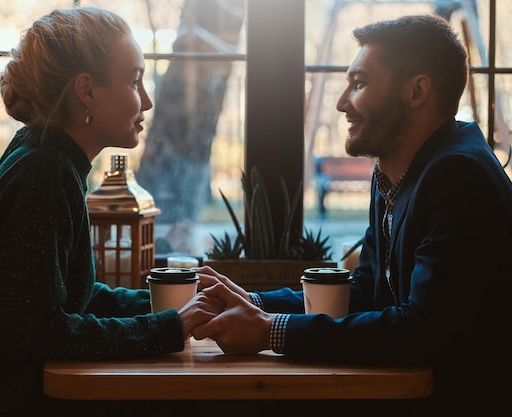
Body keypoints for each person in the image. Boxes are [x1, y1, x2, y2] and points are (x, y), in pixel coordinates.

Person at [0, 7, 212, 416]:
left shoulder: (44, 155)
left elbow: (63, 294)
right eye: (134, 81)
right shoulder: (45, 171)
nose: (146, 99)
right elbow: (41, 332)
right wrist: (168, 327)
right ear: (86, 90)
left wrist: (165, 304)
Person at [191, 14, 512, 415]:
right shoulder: (398, 171)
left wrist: (269, 330)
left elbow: (423, 331)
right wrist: (253, 302)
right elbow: (365, 292)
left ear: (416, 91)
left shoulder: (458, 177)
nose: (343, 102)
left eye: (359, 84)